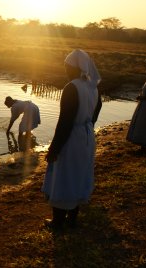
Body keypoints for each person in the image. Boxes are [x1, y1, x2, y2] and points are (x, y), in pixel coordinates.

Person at [41, 49, 102, 230]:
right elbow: (96, 111)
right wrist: (86, 127)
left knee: (63, 176)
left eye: (67, 66)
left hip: (72, 137)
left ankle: (58, 222)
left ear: (74, 68)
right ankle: (72, 219)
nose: (65, 70)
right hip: (87, 136)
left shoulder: (71, 88)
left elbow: (65, 122)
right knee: (79, 174)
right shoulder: (93, 87)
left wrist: (54, 149)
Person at [126, 61, 146, 154]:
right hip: (144, 106)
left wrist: (143, 97)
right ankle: (143, 147)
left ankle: (144, 147)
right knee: (143, 125)